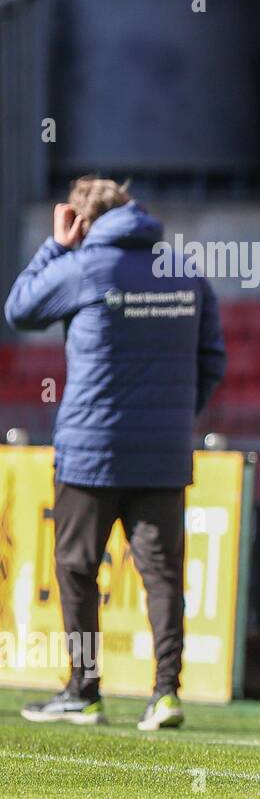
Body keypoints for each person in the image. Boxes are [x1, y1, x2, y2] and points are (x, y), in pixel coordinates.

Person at [5, 177, 226, 731]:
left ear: (82, 222)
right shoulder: (184, 271)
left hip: (90, 452)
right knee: (162, 575)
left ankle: (84, 690)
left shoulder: (82, 267)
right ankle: (167, 695)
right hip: (162, 454)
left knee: (77, 571)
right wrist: (175, 417)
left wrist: (56, 246)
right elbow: (213, 359)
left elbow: (20, 310)